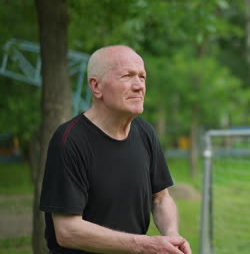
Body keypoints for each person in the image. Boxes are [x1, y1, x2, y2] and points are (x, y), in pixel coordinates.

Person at [40, 45, 191, 254]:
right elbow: (67, 231)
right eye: (127, 76)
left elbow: (161, 198)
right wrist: (144, 245)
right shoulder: (69, 141)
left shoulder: (144, 132)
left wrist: (172, 235)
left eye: (142, 77)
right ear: (96, 87)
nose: (139, 86)